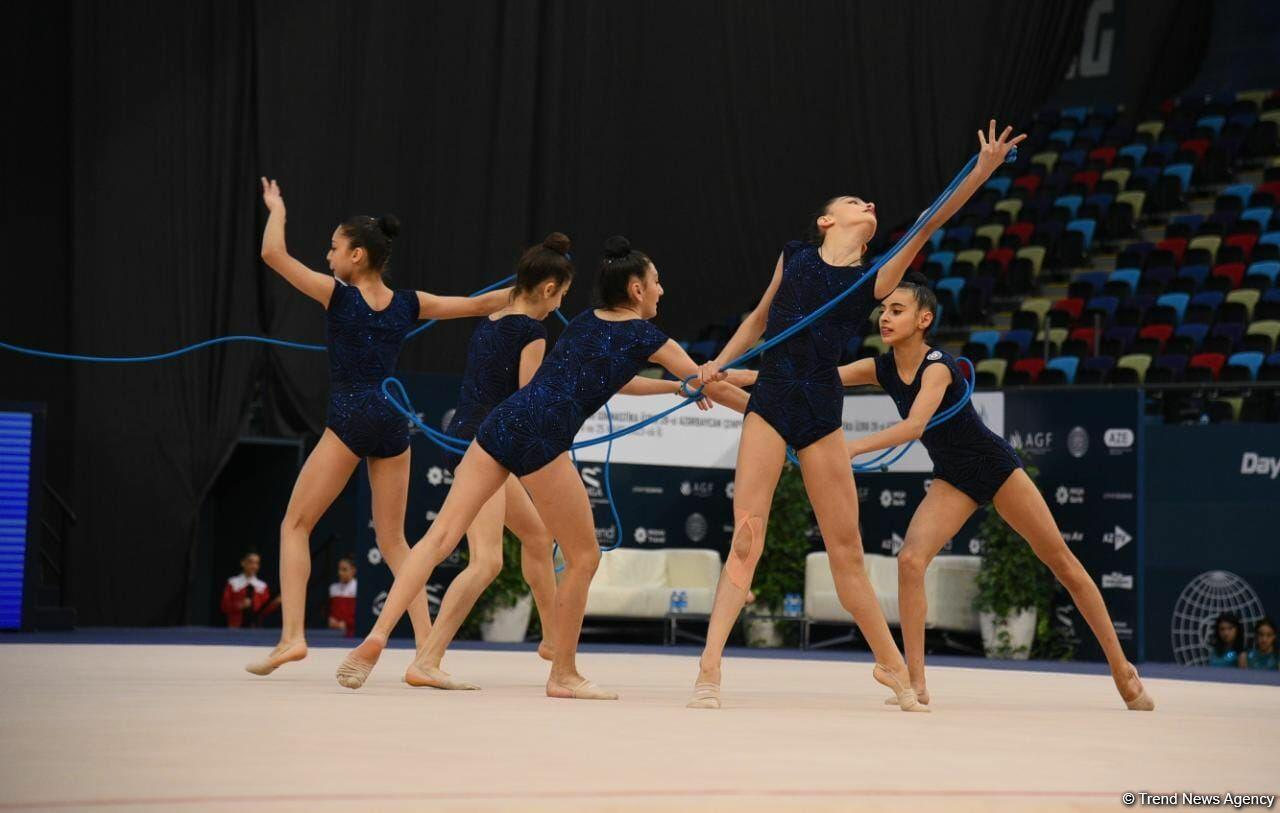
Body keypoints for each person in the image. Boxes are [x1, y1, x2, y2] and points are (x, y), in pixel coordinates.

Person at [687, 122, 1026, 712]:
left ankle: (891, 665)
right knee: (747, 536)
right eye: (853, 201)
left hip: (820, 409)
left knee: (846, 551)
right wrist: (719, 364)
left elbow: (930, 222)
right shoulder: (793, 256)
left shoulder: (875, 277)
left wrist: (982, 170)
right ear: (827, 220)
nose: (867, 204)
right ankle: (709, 668)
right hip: (772, 400)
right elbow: (760, 319)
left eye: (869, 203)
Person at [335, 236, 751, 699]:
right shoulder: (648, 337)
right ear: (636, 289)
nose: (661, 290)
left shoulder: (585, 321)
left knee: (440, 537)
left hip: (501, 422)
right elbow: (709, 385)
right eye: (656, 282)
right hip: (542, 438)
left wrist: (676, 387)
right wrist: (761, 411)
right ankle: (563, 673)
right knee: (584, 556)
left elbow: (622, 380)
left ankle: (377, 638)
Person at [831, 273, 1154, 710]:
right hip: (953, 476)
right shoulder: (881, 368)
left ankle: (1122, 670)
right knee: (910, 561)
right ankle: (917, 683)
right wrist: (746, 378)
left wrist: (853, 447)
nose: (884, 318)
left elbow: (915, 426)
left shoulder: (938, 366)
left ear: (924, 319)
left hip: (993, 466)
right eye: (883, 310)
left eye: (897, 310)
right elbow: (820, 379)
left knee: (1062, 562)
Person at [246, 178, 512, 676]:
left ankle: (292, 637)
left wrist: (276, 208)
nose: (327, 256)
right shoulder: (408, 303)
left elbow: (272, 254)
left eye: (333, 247)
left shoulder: (337, 296)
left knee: (295, 525)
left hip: (351, 415)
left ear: (358, 255)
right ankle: (427, 649)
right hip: (392, 418)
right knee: (394, 542)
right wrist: (536, 287)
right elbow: (478, 304)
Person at [407, 233, 573, 689]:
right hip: (485, 447)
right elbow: (527, 402)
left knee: (536, 535)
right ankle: (427, 659)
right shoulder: (533, 332)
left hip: (469, 438)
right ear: (548, 289)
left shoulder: (491, 320)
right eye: (562, 294)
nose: (560, 304)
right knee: (486, 562)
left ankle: (553, 640)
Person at [221, 551, 272, 629]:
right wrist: (240, 605)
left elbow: (266, 610)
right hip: (235, 628)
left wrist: (275, 602)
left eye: (257, 563)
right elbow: (224, 606)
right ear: (243, 563)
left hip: (255, 629)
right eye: (251, 562)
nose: (254, 566)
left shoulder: (262, 586)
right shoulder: (232, 583)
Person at [328, 555, 358, 637]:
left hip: (354, 633)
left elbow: (359, 614)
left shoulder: (358, 588)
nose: (340, 573)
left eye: (344, 569)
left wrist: (347, 624)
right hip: (336, 633)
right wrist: (332, 620)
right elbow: (332, 612)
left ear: (353, 570)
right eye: (339, 569)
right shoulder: (333, 588)